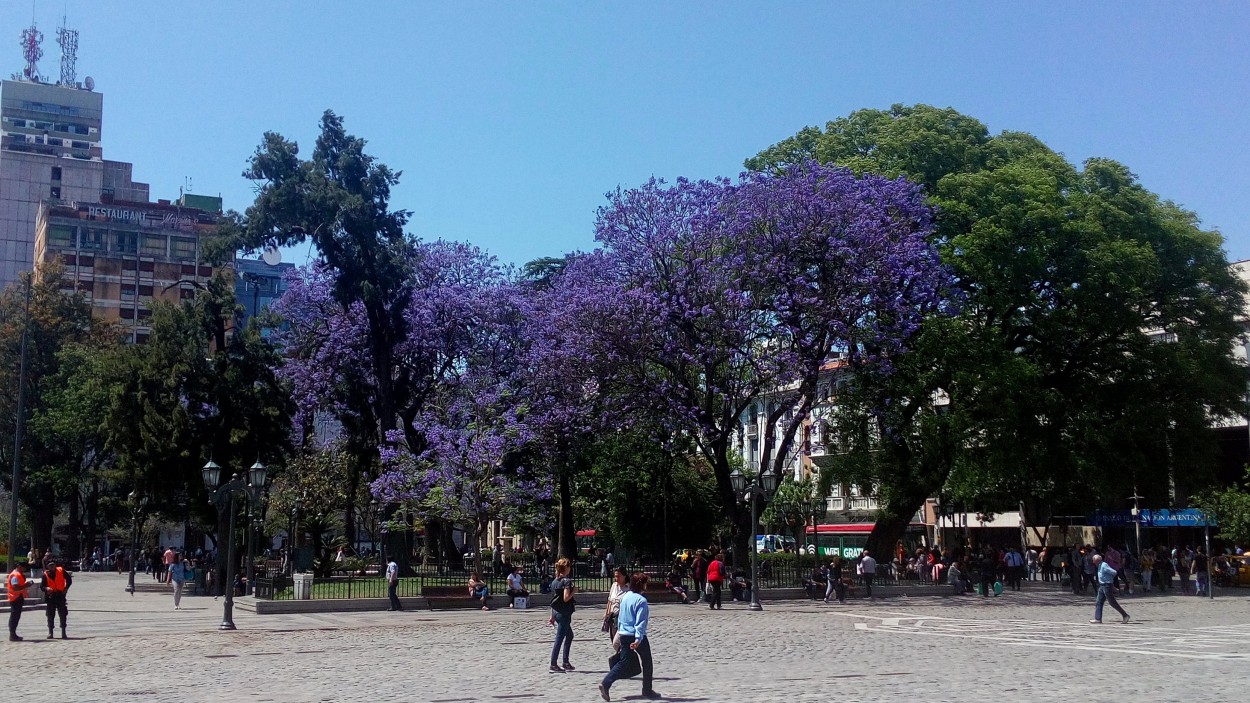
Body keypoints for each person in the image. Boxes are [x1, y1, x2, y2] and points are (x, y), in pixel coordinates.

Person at [598, 572, 660, 701]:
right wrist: (638, 639)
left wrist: (619, 633)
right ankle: (647, 689)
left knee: (624, 662)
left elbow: (621, 617)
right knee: (647, 661)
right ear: (642, 585)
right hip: (635, 636)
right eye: (645, 582)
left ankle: (606, 683)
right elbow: (640, 622)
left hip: (624, 634)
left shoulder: (626, 597)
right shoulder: (641, 601)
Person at [548, 557, 577, 672]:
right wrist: (573, 591)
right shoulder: (566, 581)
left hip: (557, 612)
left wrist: (552, 615)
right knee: (559, 639)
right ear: (567, 568)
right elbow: (565, 598)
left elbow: (553, 600)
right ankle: (553, 663)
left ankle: (565, 661)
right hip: (564, 613)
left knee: (569, 635)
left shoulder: (555, 581)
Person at [1090, 553, 1129, 624]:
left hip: (1106, 585)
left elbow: (1114, 572)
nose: (1093, 562)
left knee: (1112, 602)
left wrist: (1110, 581)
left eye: (1094, 560)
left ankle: (1125, 615)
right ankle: (1097, 618)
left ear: (1097, 560)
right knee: (1099, 602)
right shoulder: (1099, 566)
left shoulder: (1104, 565)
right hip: (1102, 586)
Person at [40, 558, 71, 639]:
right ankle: (51, 632)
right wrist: (46, 588)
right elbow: (42, 587)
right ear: (47, 566)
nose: (52, 567)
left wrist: (66, 588)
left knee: (63, 613)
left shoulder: (61, 571)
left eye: (53, 565)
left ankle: (63, 632)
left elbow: (69, 579)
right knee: (50, 614)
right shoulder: (45, 574)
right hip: (51, 597)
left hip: (60, 595)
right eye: (50, 565)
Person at [603, 566, 629, 640]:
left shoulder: (628, 588)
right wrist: (606, 614)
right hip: (613, 617)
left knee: (619, 641)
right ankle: (619, 651)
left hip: (623, 617)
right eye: (615, 576)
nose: (616, 578)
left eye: (618, 576)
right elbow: (610, 600)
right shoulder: (614, 585)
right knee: (614, 640)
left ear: (624, 576)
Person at [7, 562, 31, 641]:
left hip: (18, 597)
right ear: (20, 567)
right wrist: (26, 585)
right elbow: (15, 587)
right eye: (24, 568)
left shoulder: (18, 574)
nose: (24, 570)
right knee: (14, 616)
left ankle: (13, 634)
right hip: (15, 597)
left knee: (16, 616)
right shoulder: (15, 575)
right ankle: (12, 634)